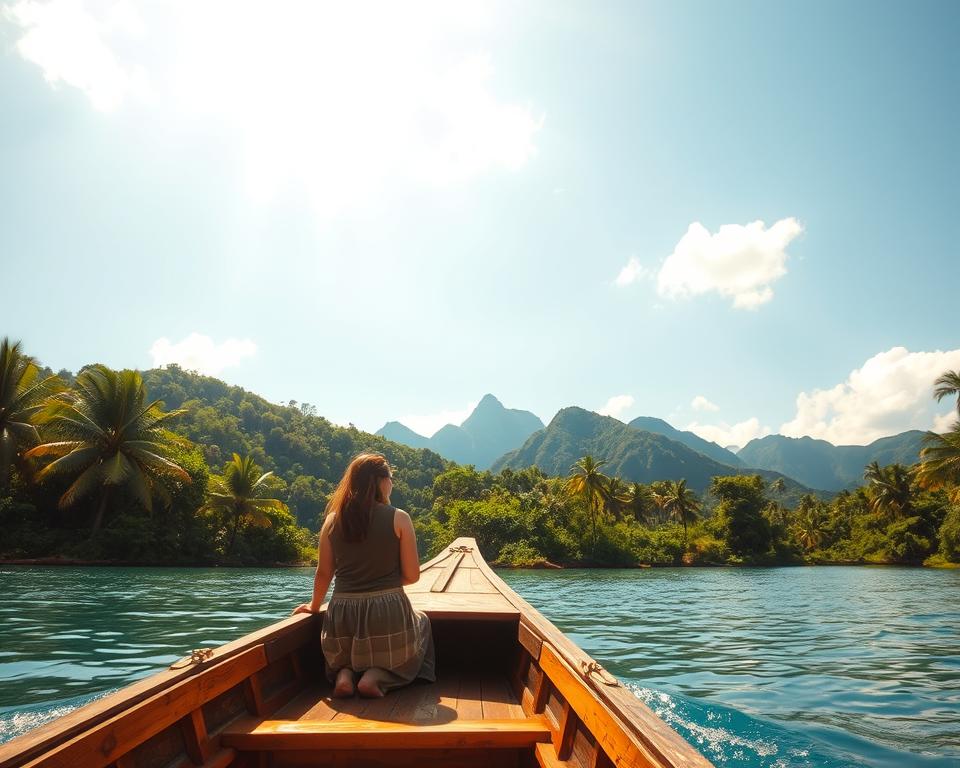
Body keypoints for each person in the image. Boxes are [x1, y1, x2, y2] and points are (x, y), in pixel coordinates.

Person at [293, 453, 436, 698]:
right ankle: (376, 677)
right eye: (391, 477)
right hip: (388, 610)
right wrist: (384, 580)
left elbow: (324, 573)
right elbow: (412, 576)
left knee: (352, 650)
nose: (392, 483)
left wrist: (314, 606)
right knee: (421, 621)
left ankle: (345, 674)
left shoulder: (331, 521)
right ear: (380, 481)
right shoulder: (399, 518)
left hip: (342, 613)